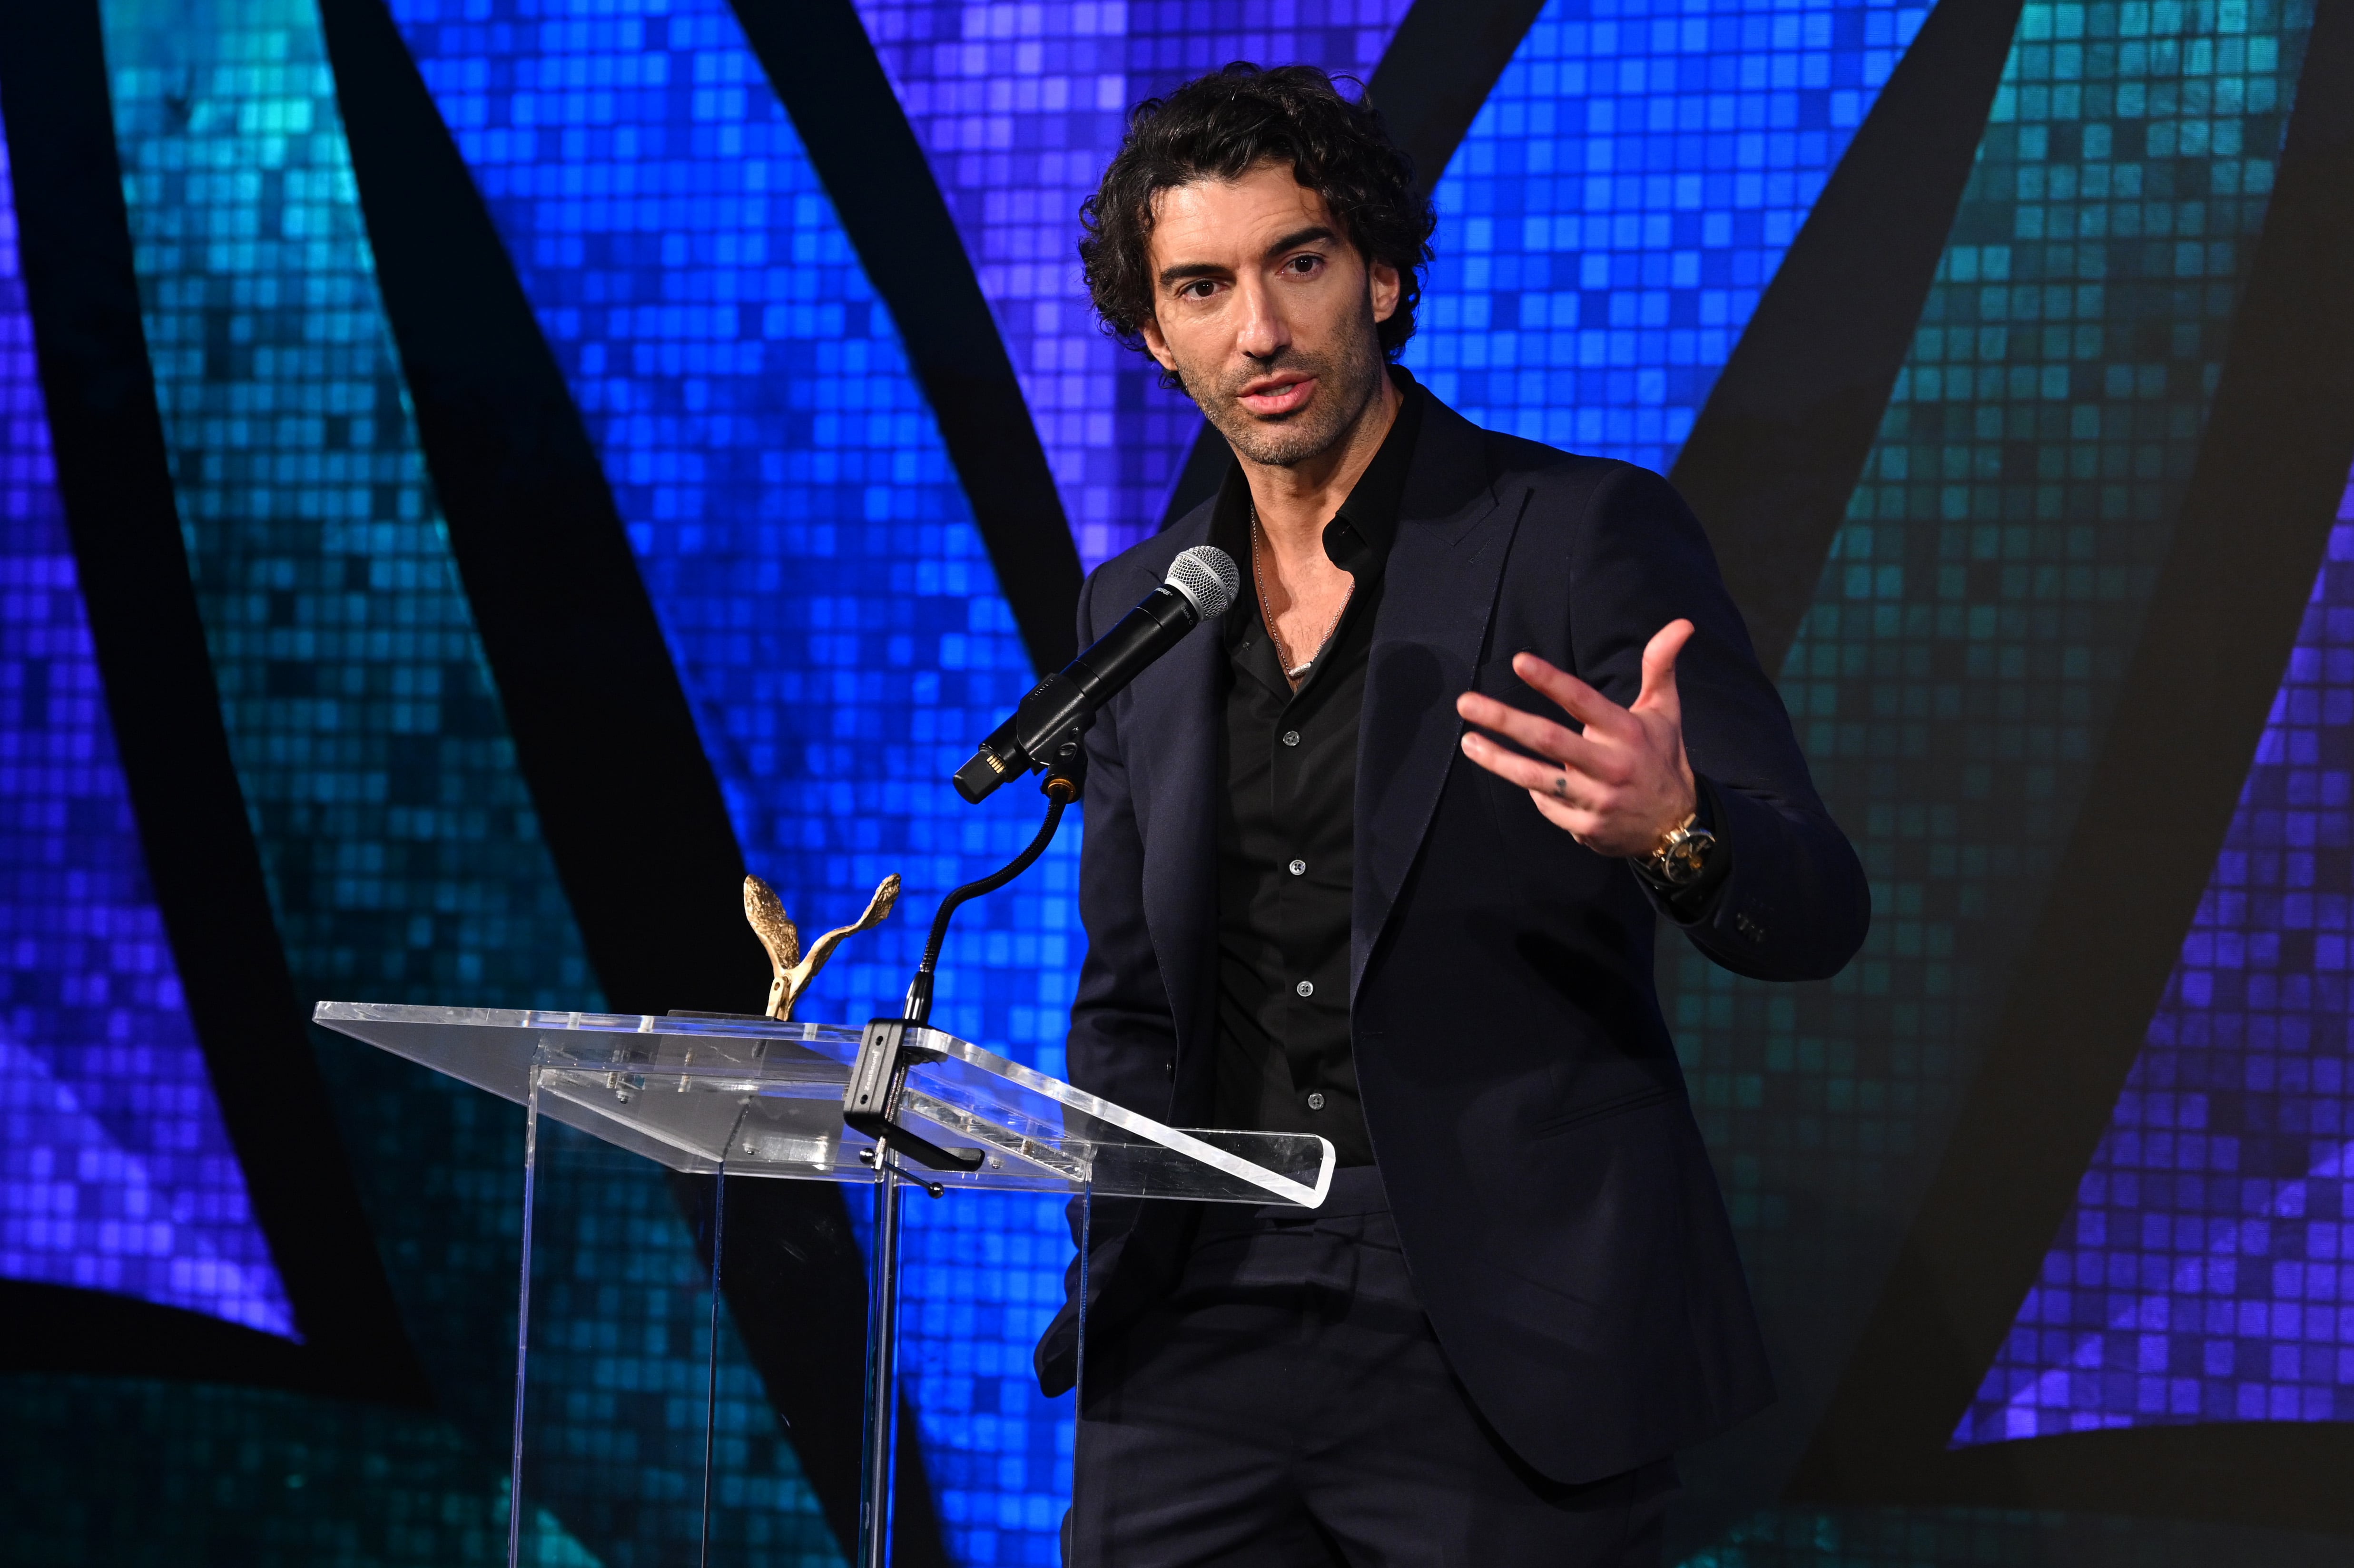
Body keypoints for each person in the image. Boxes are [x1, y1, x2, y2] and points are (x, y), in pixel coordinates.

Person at [1034, 63, 1868, 1567]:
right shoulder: (1140, 609)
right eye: (1202, 287)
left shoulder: (1576, 538)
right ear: (1153, 334)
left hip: (1500, 1329)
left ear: (1382, 271)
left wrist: (1676, 832)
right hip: (1191, 1330)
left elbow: (1813, 907)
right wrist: (1115, 1243)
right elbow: (1129, 997)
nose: (1260, 330)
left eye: (1298, 263)